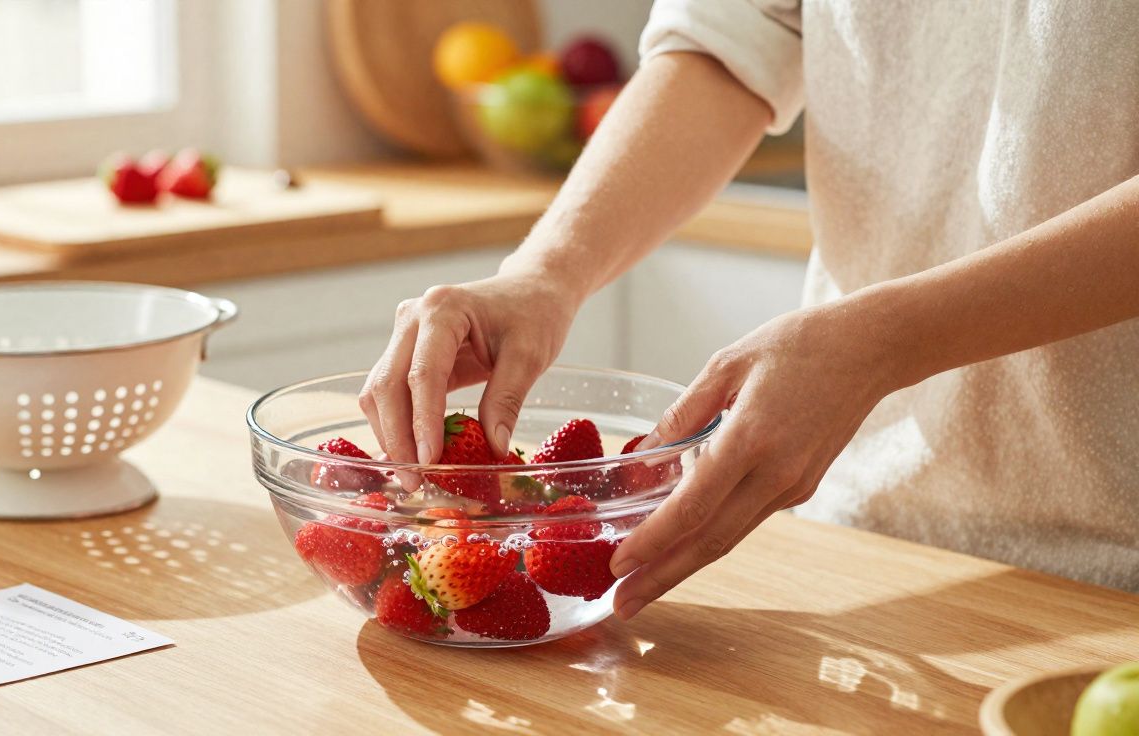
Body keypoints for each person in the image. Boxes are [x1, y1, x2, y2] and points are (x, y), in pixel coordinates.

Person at [359, 1, 1139, 620]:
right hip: (858, 536)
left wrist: (883, 342)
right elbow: (727, 39)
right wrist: (545, 272)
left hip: (1118, 559)